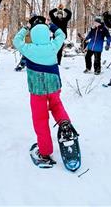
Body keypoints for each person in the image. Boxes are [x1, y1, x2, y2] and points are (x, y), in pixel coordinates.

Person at [13, 18, 76, 167]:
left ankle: (45, 152)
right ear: (46, 34)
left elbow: (16, 40)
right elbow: (61, 35)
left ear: (33, 35)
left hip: (37, 89)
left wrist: (26, 27)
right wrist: (51, 25)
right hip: (54, 84)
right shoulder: (53, 46)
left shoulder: (28, 48)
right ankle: (65, 123)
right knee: (56, 105)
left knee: (40, 119)